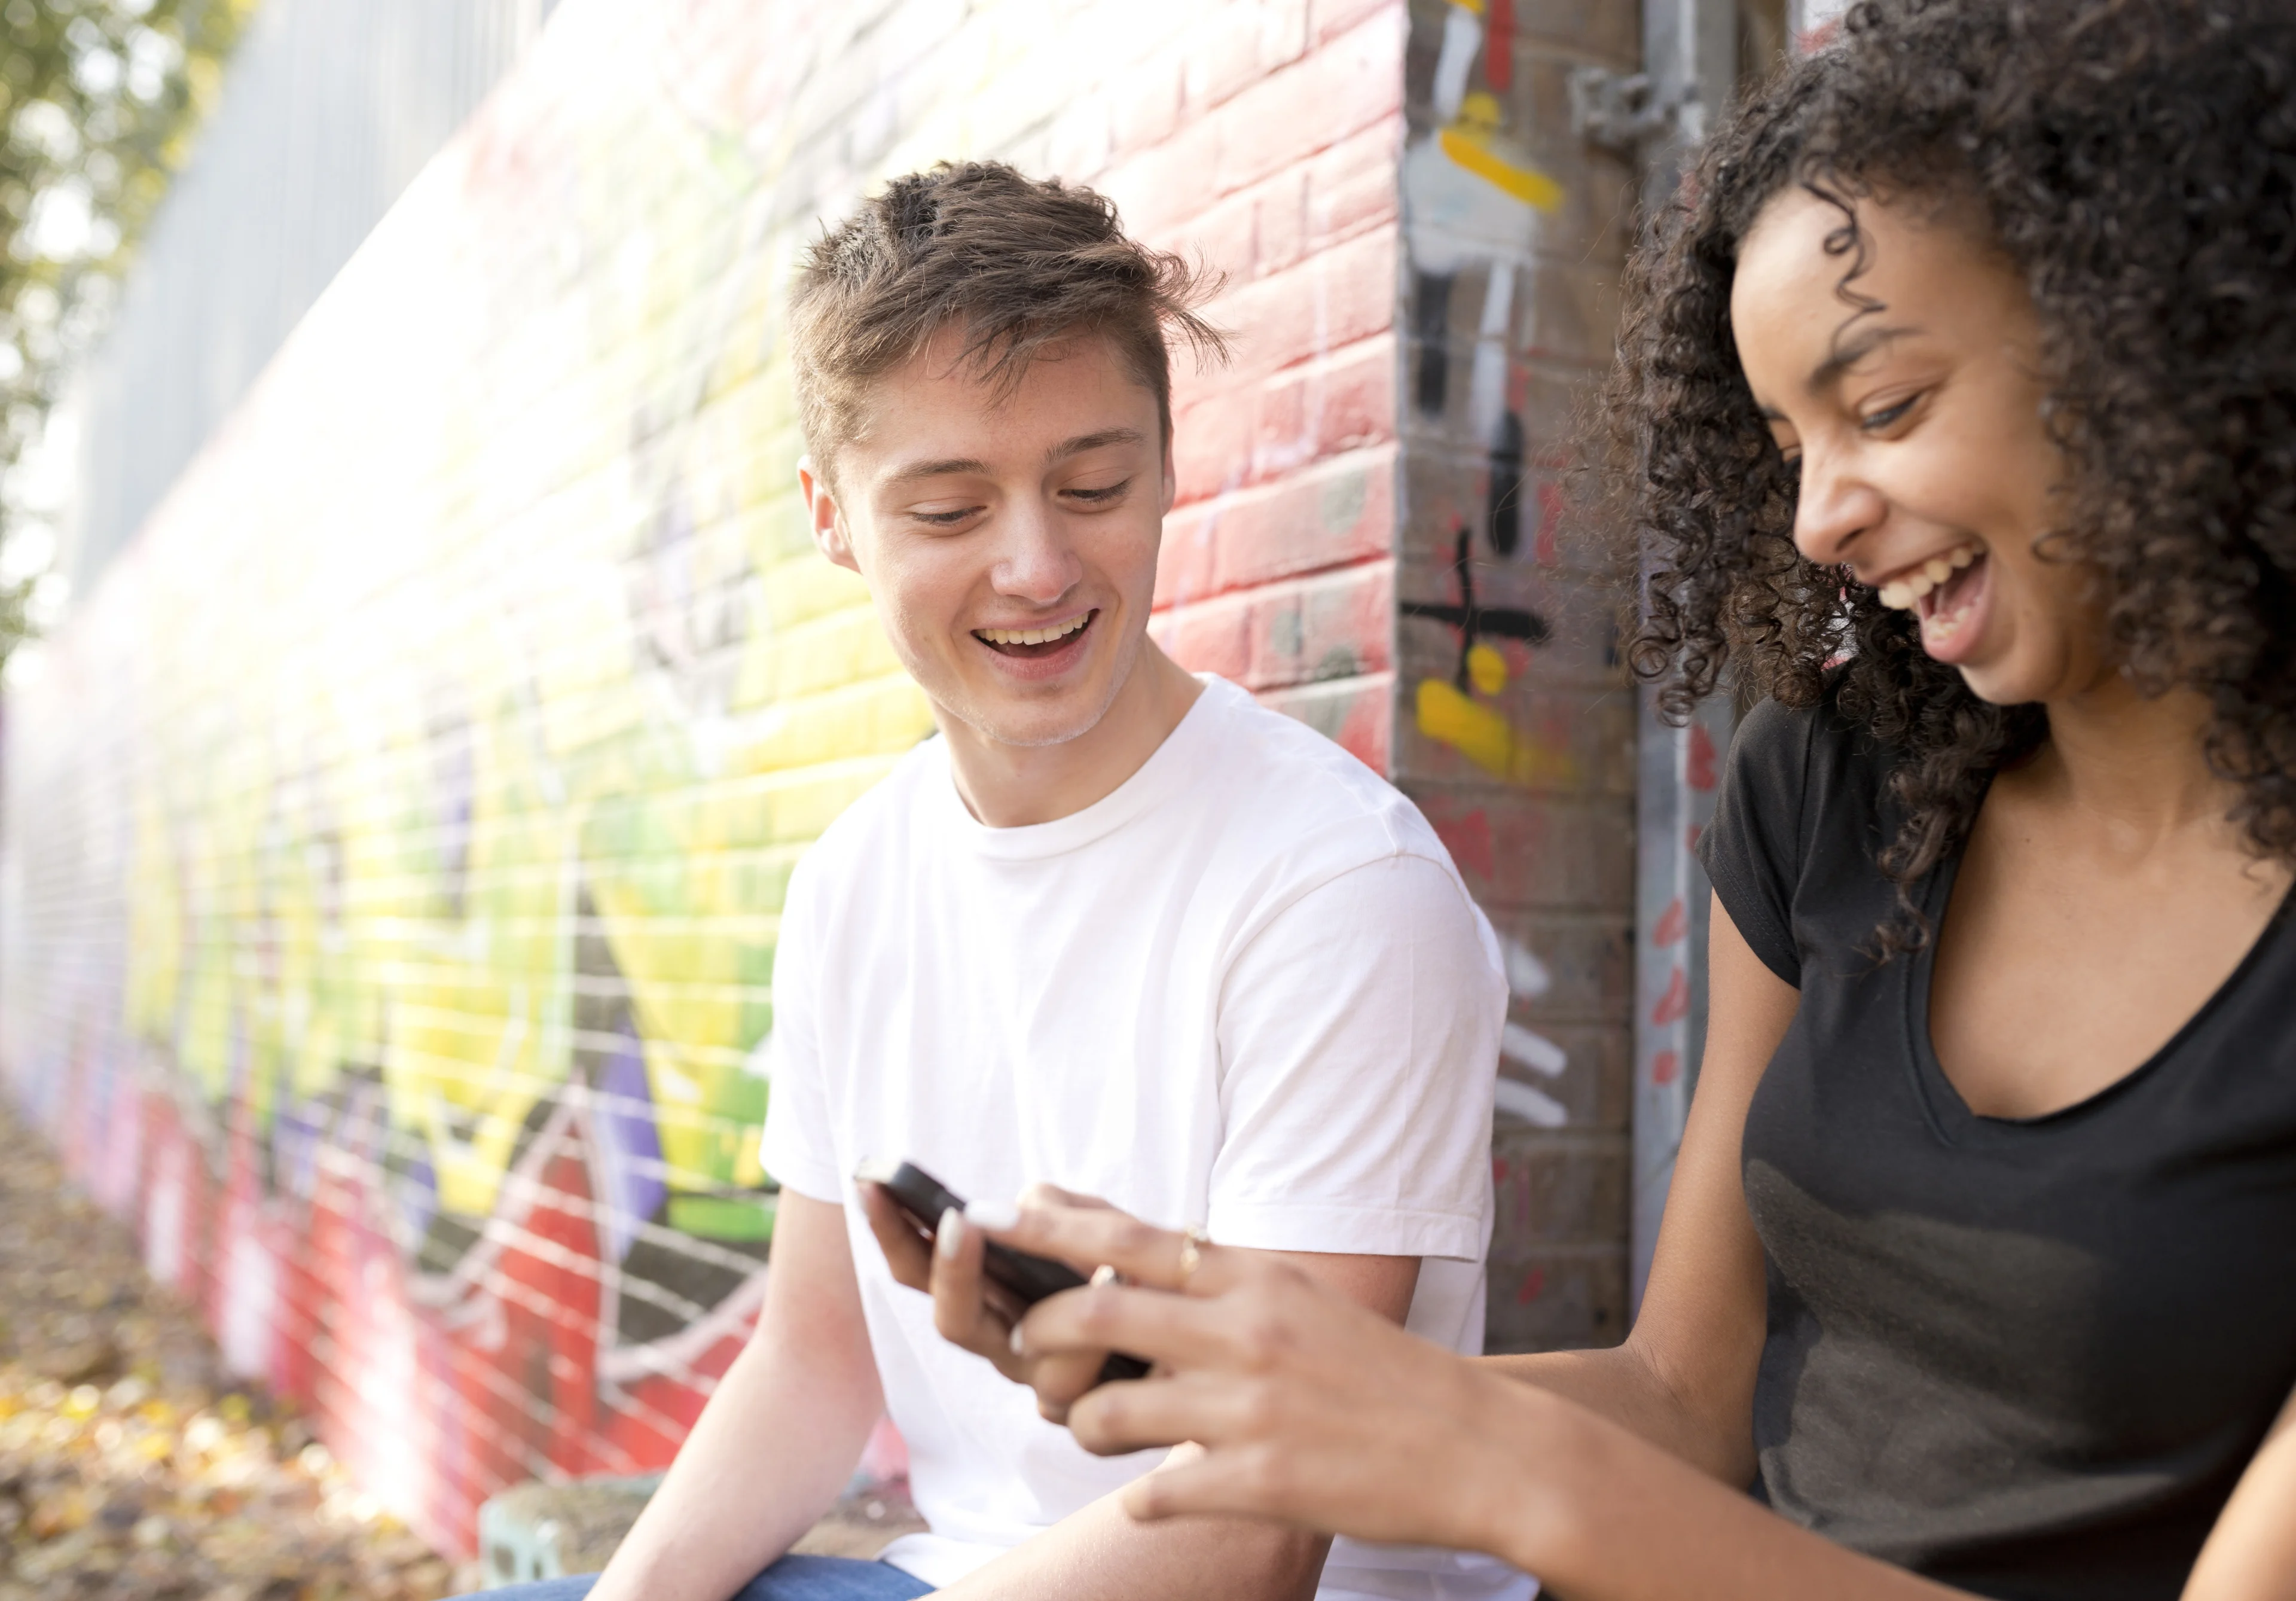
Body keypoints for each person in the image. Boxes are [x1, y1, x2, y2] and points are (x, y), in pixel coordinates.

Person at [906, 2, 2296, 1597]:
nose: (1824, 517)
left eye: (1886, 405)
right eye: (1785, 446)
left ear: (2154, 333)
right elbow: (1682, 1398)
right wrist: (1255, 1374)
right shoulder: (1831, 795)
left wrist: (1493, 1456)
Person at [474, 163, 1529, 1601]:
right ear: (832, 515)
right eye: (950, 511)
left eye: (1093, 485)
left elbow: (1255, 1527)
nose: (1037, 567)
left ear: (1166, 465)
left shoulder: (1342, 890)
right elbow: (809, 1360)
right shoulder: (853, 883)